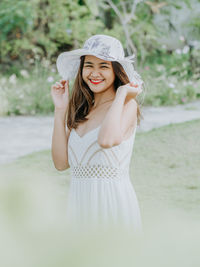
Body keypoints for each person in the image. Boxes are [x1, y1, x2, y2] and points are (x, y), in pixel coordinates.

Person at [51, 34, 144, 234]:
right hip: (79, 206)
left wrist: (121, 95)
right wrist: (60, 110)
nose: (94, 73)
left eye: (103, 66)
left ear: (116, 71)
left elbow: (106, 140)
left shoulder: (127, 105)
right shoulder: (83, 110)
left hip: (111, 205)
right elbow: (60, 163)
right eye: (89, 65)